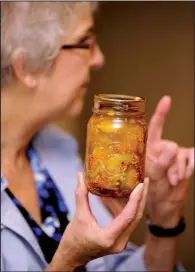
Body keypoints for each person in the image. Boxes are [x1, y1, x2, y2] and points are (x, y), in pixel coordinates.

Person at [1, 2, 194, 271]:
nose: (99, 58)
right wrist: (70, 260)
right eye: (84, 42)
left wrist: (165, 220)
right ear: (26, 68)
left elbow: (114, 268)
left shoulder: (59, 151)